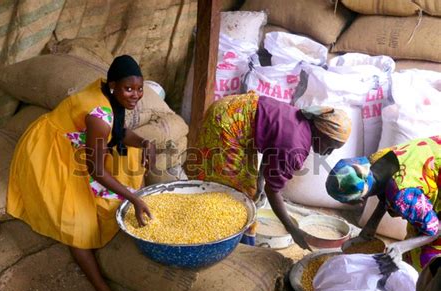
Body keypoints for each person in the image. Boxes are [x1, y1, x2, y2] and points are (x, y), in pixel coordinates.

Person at [7, 55, 156, 291]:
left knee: (129, 159)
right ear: (112, 86)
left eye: (139, 88)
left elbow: (118, 133)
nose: (135, 95)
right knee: (79, 226)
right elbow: (96, 170)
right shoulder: (100, 115)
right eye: (128, 89)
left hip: (82, 143)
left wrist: (145, 143)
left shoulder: (109, 99)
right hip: (53, 149)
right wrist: (134, 199)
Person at [185, 93, 352, 249]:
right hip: (226, 123)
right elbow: (273, 191)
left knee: (248, 188)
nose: (328, 153)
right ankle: (226, 242)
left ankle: (240, 239)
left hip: (233, 109)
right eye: (329, 146)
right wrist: (292, 229)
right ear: (320, 131)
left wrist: (260, 181)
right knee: (236, 194)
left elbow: (271, 150)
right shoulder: (295, 146)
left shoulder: (302, 123)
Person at [326, 135, 440, 272]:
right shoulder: (375, 161)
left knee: (428, 258)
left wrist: (401, 247)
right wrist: (371, 226)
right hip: (433, 157)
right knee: (414, 235)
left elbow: (435, 230)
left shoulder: (403, 195)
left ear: (359, 201)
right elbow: (385, 190)